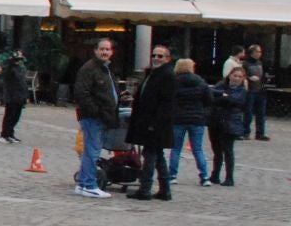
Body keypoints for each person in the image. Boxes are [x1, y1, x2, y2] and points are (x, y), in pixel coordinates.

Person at [125, 44, 175, 202]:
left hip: (156, 124)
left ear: (167, 59)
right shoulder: (153, 74)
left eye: (160, 56)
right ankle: (165, 189)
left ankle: (145, 188)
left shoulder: (167, 75)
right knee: (158, 156)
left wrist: (154, 123)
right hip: (148, 121)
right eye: (154, 55)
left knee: (150, 155)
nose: (156, 58)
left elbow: (166, 103)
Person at [71, 37, 118, 199]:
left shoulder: (106, 69)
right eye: (102, 49)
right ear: (95, 51)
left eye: (107, 49)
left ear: (111, 52)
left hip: (101, 116)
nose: (105, 52)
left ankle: (83, 183)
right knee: (92, 150)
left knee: (91, 150)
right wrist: (96, 111)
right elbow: (82, 93)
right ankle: (89, 184)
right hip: (93, 117)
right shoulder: (90, 68)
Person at [168, 57, 211, 186]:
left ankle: (172, 175)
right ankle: (204, 176)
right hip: (197, 119)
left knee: (176, 148)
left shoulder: (173, 82)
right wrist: (203, 114)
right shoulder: (200, 82)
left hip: (178, 118)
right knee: (197, 149)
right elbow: (209, 100)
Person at [210, 64, 249, 186]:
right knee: (216, 150)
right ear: (230, 75)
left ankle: (229, 177)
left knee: (228, 150)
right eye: (235, 75)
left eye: (239, 76)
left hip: (230, 122)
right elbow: (210, 94)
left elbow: (235, 101)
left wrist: (222, 98)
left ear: (243, 79)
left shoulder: (242, 91)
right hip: (216, 120)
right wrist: (223, 95)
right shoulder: (221, 85)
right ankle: (215, 175)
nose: (236, 78)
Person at [0, 50, 29, 143]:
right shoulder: (9, 67)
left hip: (20, 95)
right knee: (9, 115)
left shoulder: (21, 67)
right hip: (11, 95)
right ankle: (4, 134)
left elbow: (23, 83)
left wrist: (26, 96)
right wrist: (11, 62)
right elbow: (5, 76)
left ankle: (11, 133)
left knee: (16, 116)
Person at [243, 44, 269, 140]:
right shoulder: (245, 63)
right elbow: (242, 75)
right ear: (252, 52)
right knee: (248, 112)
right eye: (258, 51)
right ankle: (245, 132)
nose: (259, 54)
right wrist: (249, 78)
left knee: (261, 113)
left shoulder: (260, 63)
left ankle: (260, 133)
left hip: (260, 90)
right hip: (250, 90)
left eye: (260, 52)